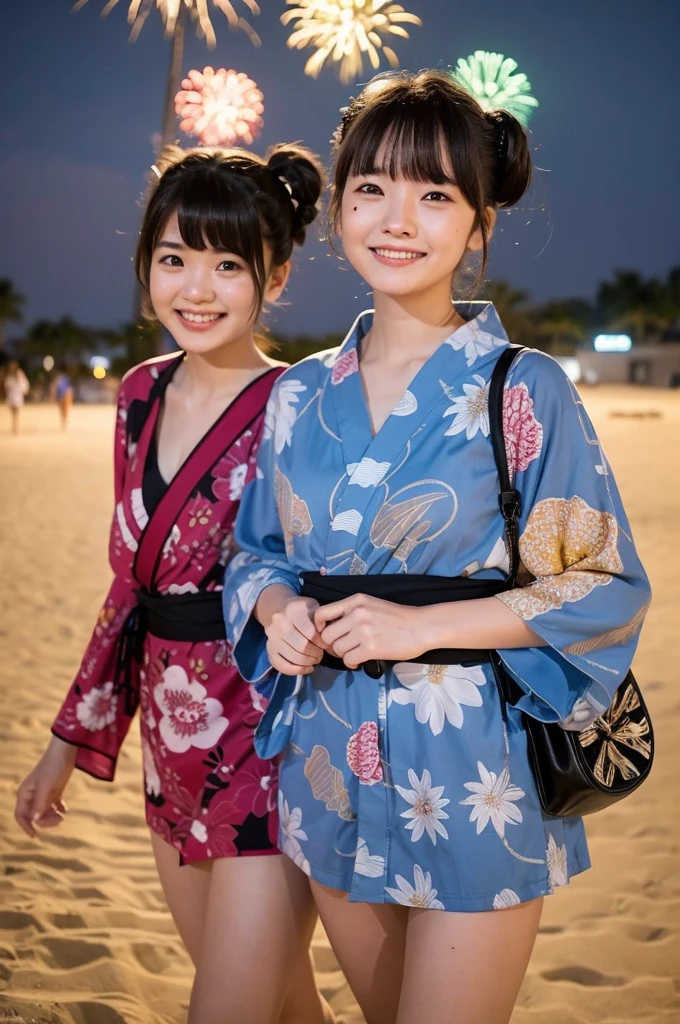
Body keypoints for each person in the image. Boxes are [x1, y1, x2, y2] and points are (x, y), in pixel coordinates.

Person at [224, 71, 651, 1024]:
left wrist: (425, 626)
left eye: (435, 194)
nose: (397, 219)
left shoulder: (523, 389)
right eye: (371, 188)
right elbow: (255, 551)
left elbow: (604, 584)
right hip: (328, 759)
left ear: (478, 224)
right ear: (338, 208)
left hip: (475, 774)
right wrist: (277, 608)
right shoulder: (297, 394)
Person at [15, 144, 334, 1024]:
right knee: (285, 1001)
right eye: (174, 258)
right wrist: (63, 748)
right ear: (144, 263)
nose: (197, 287)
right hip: (170, 733)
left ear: (275, 275)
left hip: (268, 733)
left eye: (228, 263)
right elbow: (127, 587)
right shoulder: (137, 396)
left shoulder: (303, 404)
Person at [4, 360, 29, 434]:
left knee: (16, 412)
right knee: (13, 412)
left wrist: (24, 390)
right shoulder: (9, 376)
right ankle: (14, 424)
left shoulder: (20, 374)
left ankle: (15, 426)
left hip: (17, 395)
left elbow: (24, 384)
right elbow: (7, 385)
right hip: (12, 396)